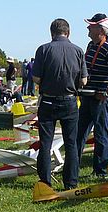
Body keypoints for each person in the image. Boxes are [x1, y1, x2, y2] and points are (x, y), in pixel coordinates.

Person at [31, 18, 88, 189]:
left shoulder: (43, 50)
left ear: (51, 33)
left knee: (45, 143)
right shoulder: (78, 51)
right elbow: (84, 80)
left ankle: (45, 182)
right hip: (70, 101)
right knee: (71, 144)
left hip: (48, 101)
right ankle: (70, 183)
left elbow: (36, 78)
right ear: (68, 32)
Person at [76, 12, 108, 178]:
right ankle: (73, 166)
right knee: (79, 132)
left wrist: (106, 93)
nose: (88, 28)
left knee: (101, 134)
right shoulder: (91, 45)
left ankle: (100, 171)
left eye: (91, 25)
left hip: (101, 99)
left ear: (100, 29)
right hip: (88, 96)